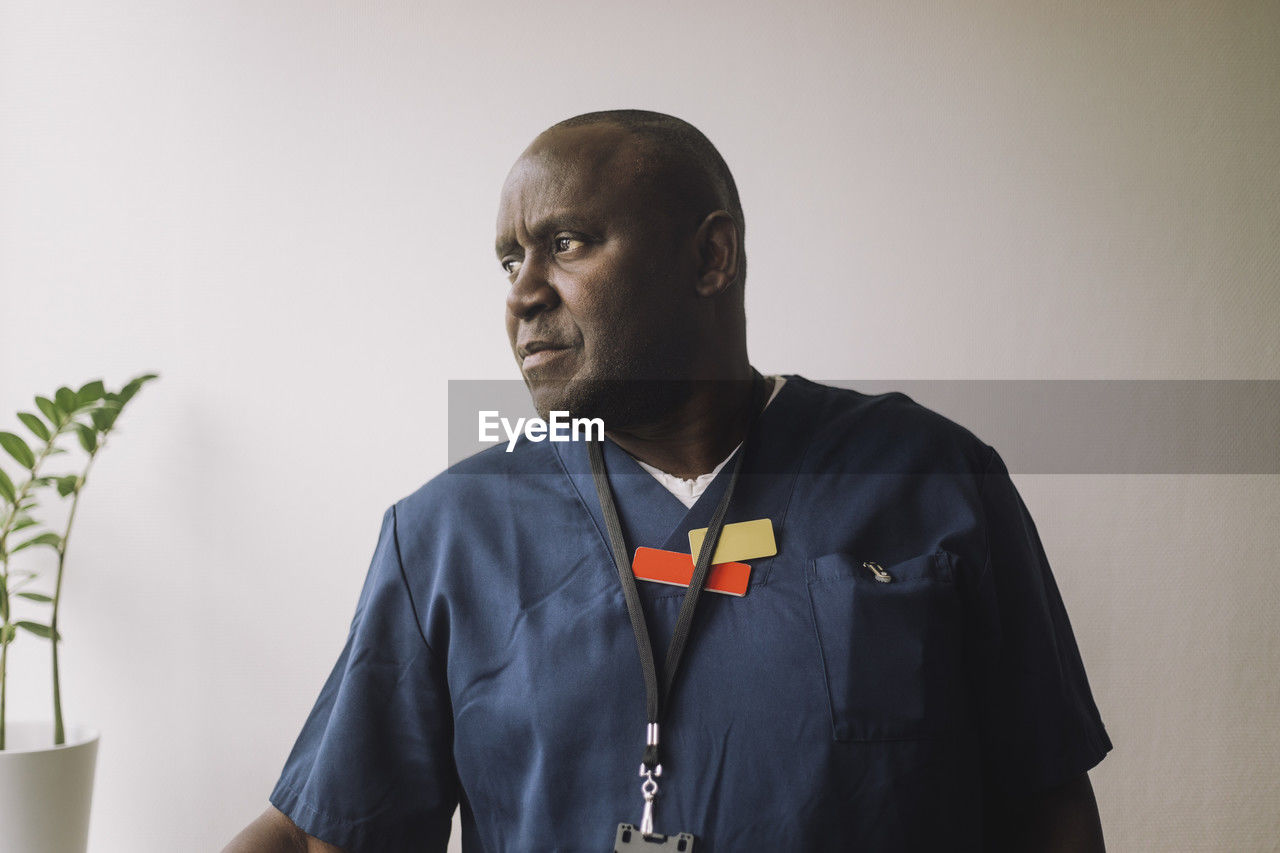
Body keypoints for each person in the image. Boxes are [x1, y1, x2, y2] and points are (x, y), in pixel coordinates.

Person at [225, 110, 1111, 852]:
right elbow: (323, 830)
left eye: (565, 243)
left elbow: (1049, 803)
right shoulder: (449, 533)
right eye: (508, 260)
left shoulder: (933, 479)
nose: (523, 292)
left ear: (710, 258)